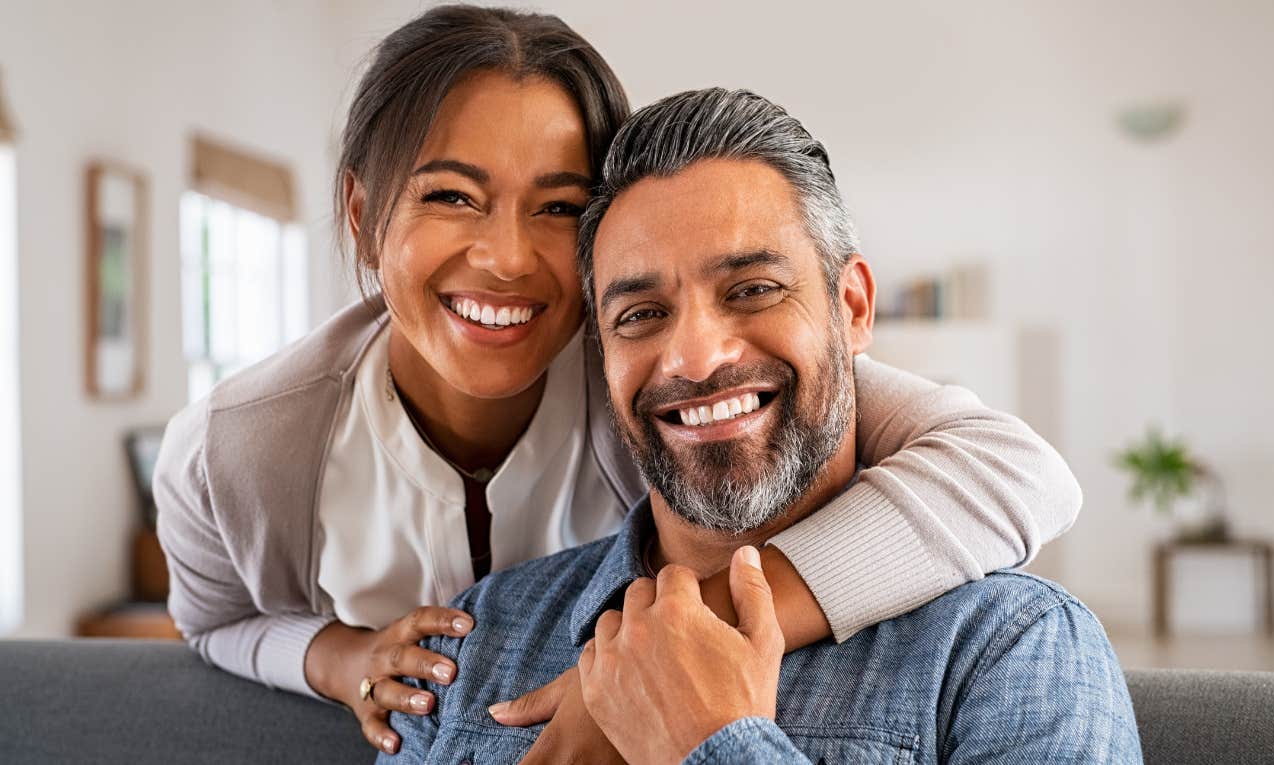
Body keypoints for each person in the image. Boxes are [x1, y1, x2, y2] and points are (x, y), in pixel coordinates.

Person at [153, 5, 1083, 756]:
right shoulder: (243, 445)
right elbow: (214, 621)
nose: (508, 257)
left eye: (559, 206)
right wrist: (338, 655)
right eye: (450, 195)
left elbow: (1016, 469)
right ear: (362, 214)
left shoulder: (651, 371)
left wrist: (668, 654)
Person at [384, 87, 1140, 765]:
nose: (696, 356)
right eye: (641, 314)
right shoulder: (477, 637)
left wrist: (712, 744)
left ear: (853, 309)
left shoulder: (1011, 650)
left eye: (752, 290)